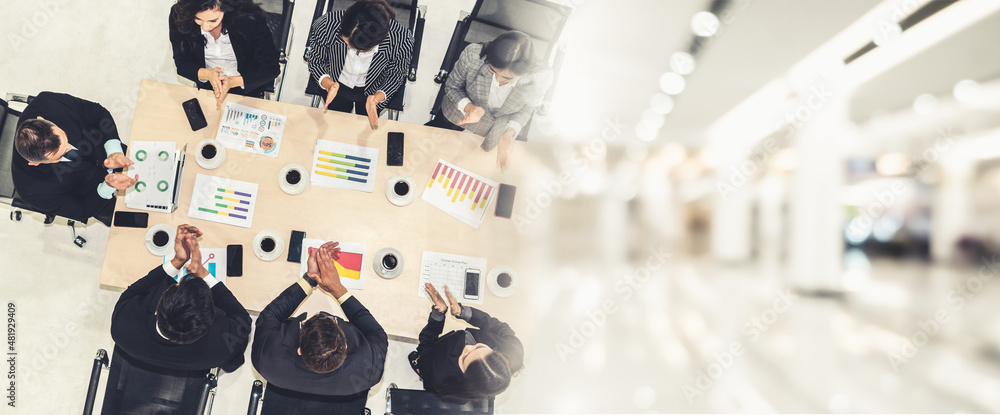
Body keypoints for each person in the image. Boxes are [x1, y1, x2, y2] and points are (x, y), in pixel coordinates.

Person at [251, 241, 388, 410]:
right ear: (345, 345)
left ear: (299, 349)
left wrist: (309, 278)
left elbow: (269, 316)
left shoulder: (267, 359)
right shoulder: (369, 369)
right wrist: (337, 289)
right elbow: (376, 332)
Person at [110, 224, 251, 372]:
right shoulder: (222, 348)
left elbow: (130, 293)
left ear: (157, 311)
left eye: (175, 285)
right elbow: (243, 319)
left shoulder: (121, 327)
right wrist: (202, 273)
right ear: (208, 325)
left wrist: (178, 260)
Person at [427, 31, 552, 170]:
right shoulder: (473, 55)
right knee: (427, 152)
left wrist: (510, 132)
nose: (498, 80)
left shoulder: (539, 77)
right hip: (457, 115)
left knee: (479, 169)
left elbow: (527, 108)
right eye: (493, 70)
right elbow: (452, 87)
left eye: (507, 78)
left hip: (497, 130)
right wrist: (468, 107)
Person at [11, 92, 137, 226]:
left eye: (64, 137)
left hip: (105, 149)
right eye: (60, 155)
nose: (70, 148)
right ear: (35, 163)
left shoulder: (48, 102)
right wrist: (108, 186)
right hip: (92, 194)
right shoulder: (32, 191)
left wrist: (114, 151)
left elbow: (99, 114)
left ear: (42, 119)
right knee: (134, 223)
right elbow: (82, 209)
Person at [306, 0, 413, 128]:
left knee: (364, 131)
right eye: (347, 44)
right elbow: (316, 60)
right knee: (337, 127)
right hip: (335, 83)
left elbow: (395, 75)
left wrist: (376, 98)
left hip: (373, 90)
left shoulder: (402, 39)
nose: (352, 50)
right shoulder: (326, 24)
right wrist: (328, 84)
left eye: (358, 48)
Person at [411, 283, 524, 400]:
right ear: (497, 353)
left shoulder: (439, 375)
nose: (467, 348)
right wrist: (462, 312)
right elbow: (497, 326)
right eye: (479, 347)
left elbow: (427, 343)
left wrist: (439, 314)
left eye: (464, 358)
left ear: (466, 378)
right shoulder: (514, 351)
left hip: (440, 351)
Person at [168, 0, 280, 105]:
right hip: (207, 87)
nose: (206, 27)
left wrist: (233, 82)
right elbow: (182, 63)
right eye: (198, 19)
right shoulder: (181, 16)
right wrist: (207, 74)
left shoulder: (248, 19)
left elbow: (271, 68)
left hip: (247, 89)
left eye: (213, 20)